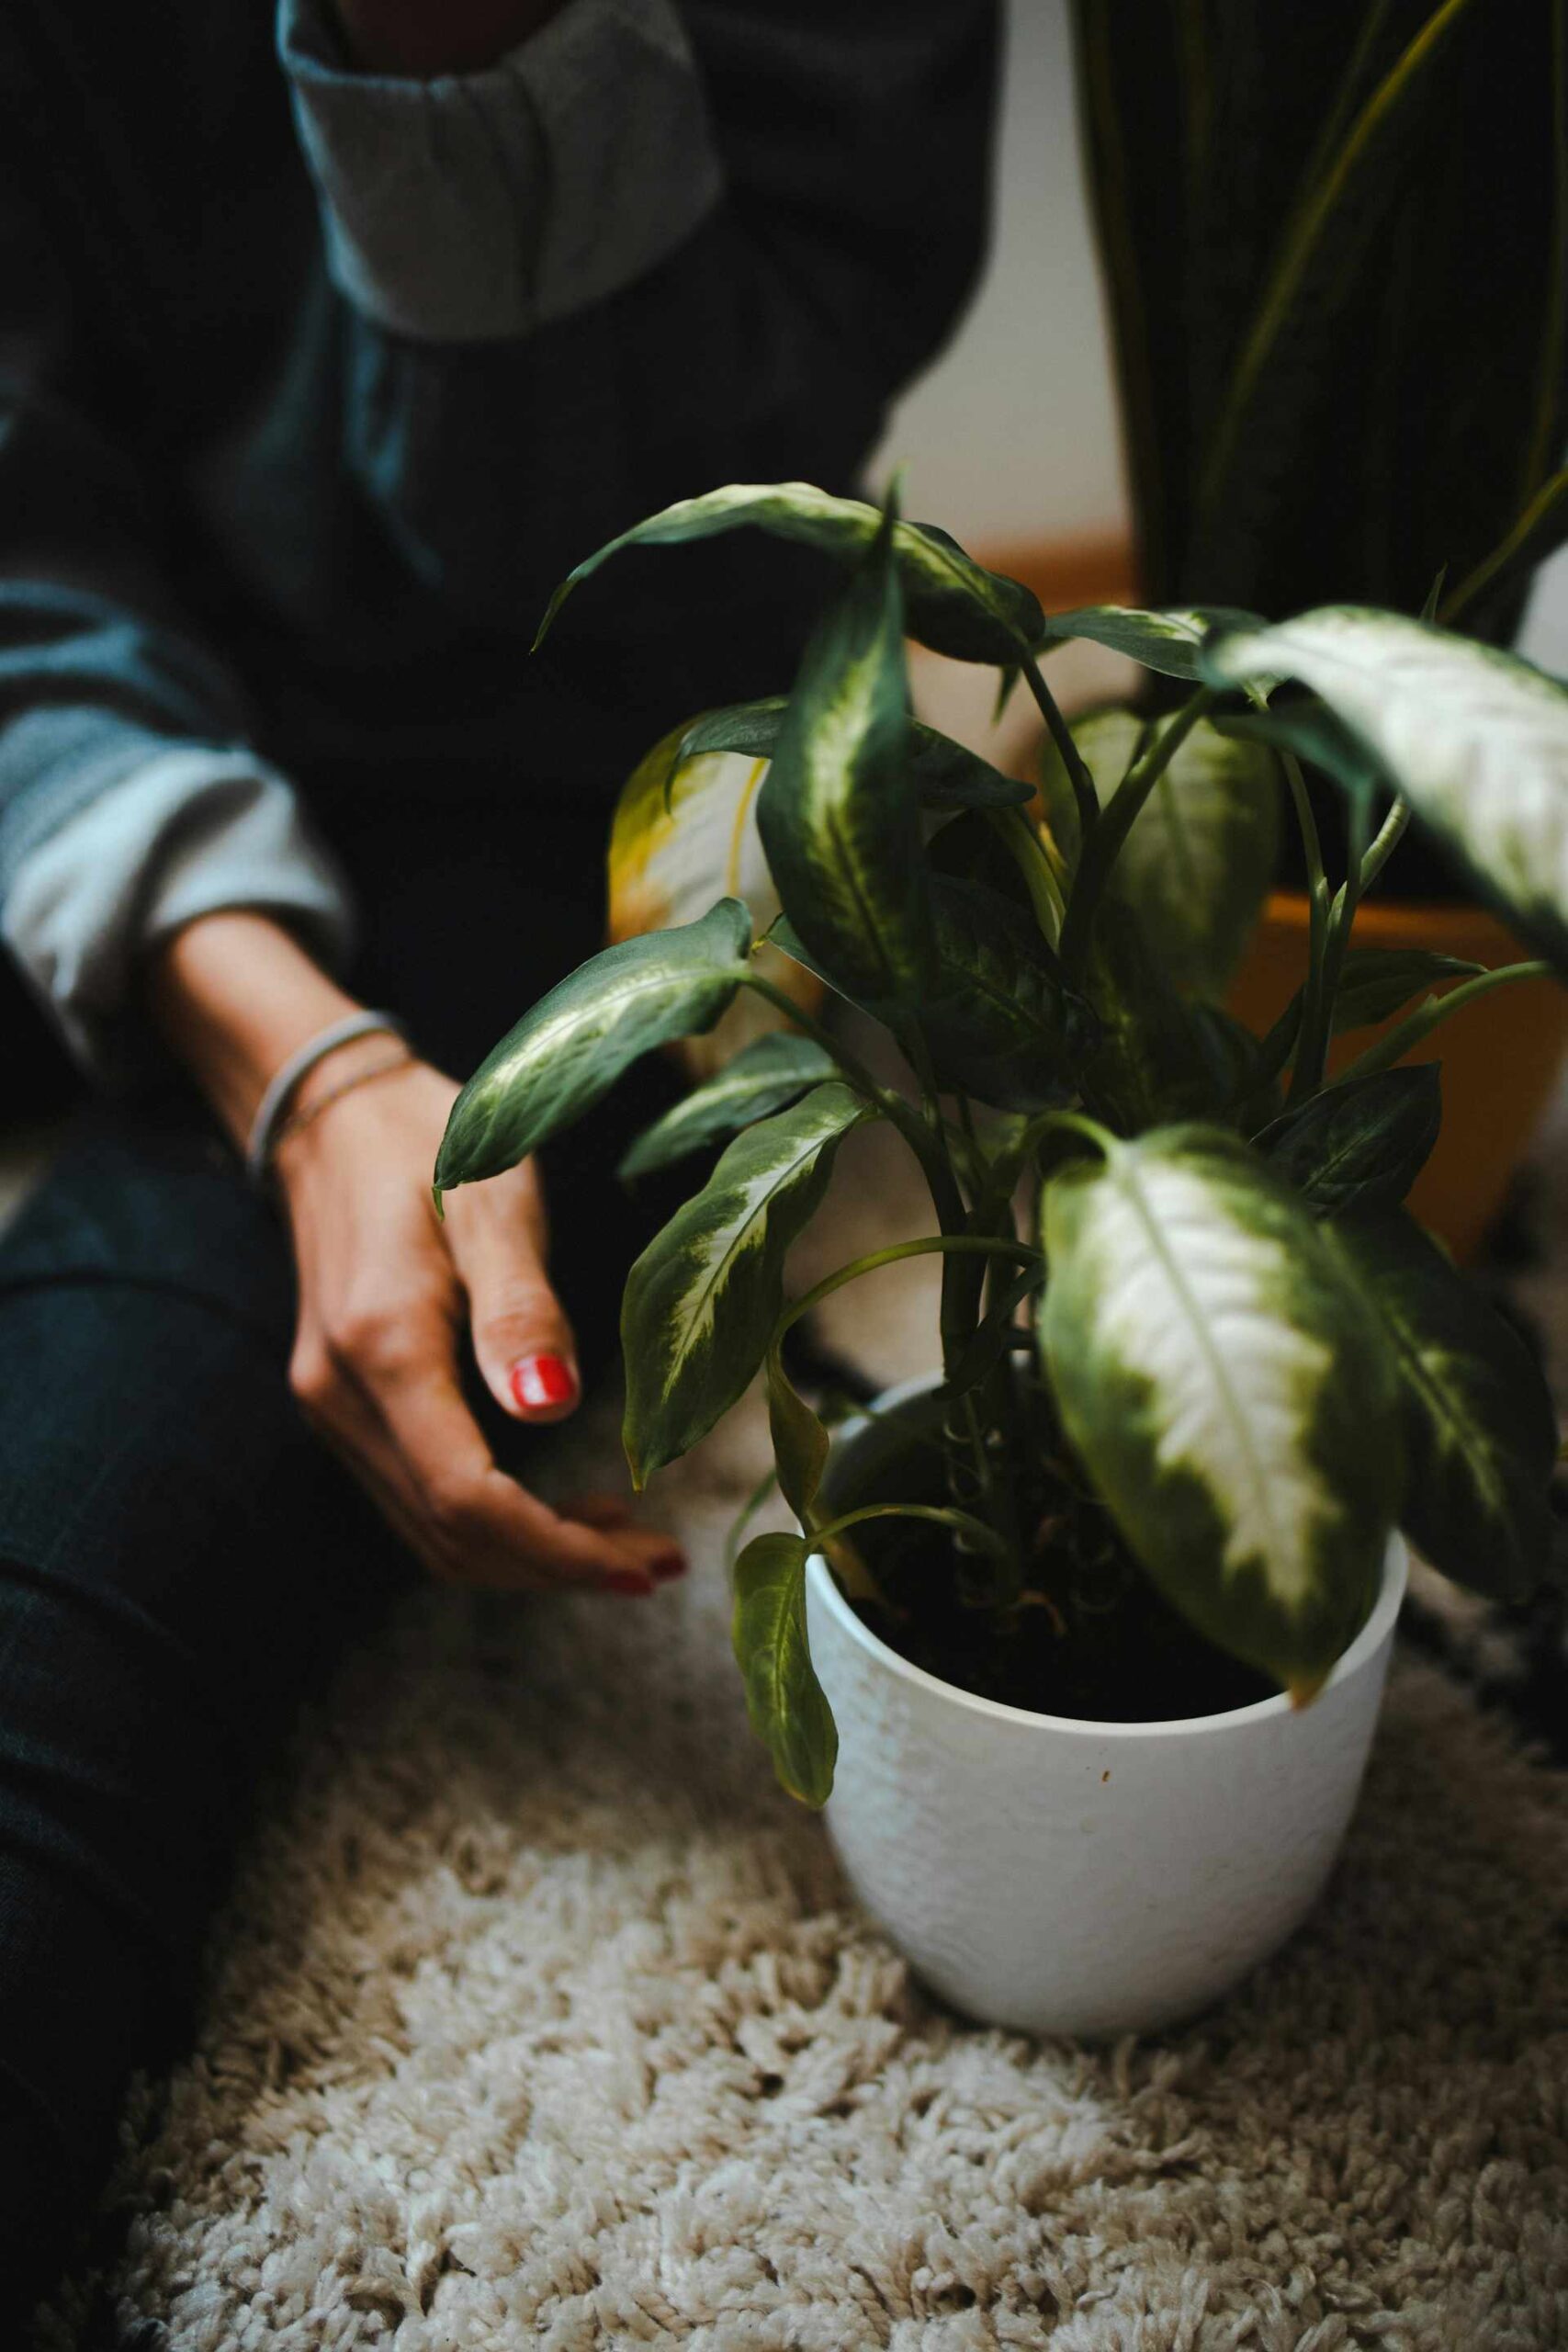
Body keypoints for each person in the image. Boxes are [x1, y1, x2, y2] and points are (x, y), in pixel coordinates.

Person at [0, 0, 998, 2303]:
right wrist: (301, 1062)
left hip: (571, 799)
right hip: (104, 749)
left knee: (77, 1573)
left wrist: (452, 58)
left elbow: (620, 584)